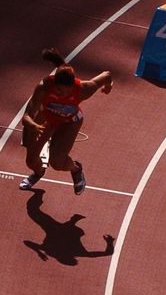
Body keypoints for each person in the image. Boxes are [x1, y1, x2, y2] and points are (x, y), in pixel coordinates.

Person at [18, 49, 112, 195]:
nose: (63, 94)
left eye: (67, 92)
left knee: (57, 163)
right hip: (45, 120)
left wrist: (108, 86)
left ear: (73, 87)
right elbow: (26, 117)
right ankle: (38, 172)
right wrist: (33, 126)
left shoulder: (83, 89)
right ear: (54, 84)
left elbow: (106, 75)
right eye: (59, 91)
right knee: (30, 162)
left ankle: (76, 169)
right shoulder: (44, 87)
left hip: (69, 122)